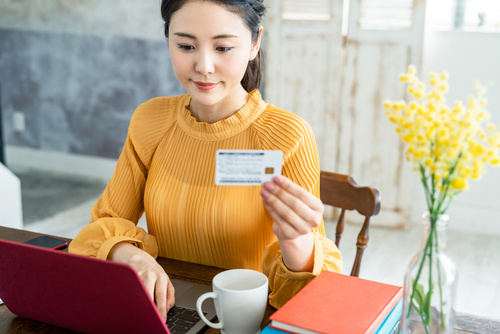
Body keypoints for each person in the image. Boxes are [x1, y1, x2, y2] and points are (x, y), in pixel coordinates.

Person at [68, 0, 342, 321]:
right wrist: (132, 257)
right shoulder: (151, 120)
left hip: (247, 319)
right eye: (185, 45)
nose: (204, 66)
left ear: (255, 43)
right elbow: (100, 226)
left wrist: (298, 245)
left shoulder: (288, 135)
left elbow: (317, 294)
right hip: (170, 312)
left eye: (223, 47)